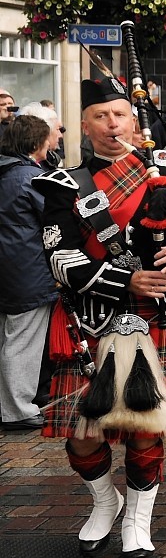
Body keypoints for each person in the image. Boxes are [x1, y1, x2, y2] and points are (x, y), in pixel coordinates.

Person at [34, 74, 166, 558]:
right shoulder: (67, 186)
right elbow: (59, 257)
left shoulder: (164, 177)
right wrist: (125, 282)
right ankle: (106, 501)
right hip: (92, 323)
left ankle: (138, 522)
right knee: (82, 435)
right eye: (100, 117)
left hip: (157, 322)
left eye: (119, 114)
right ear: (83, 126)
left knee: (146, 430)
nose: (111, 124)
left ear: (133, 121)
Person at [0, 115, 60, 429]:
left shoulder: (6, 171)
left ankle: (7, 406)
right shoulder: (30, 177)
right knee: (23, 341)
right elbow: (54, 216)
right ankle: (18, 409)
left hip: (9, 267)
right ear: (37, 143)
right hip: (27, 270)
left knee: (7, 339)